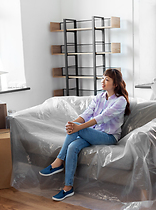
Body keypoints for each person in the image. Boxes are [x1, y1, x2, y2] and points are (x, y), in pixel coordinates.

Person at [39, 69, 131, 201]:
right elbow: (87, 113)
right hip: (93, 134)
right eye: (103, 78)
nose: (102, 81)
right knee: (72, 147)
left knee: (77, 130)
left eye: (107, 79)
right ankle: (67, 188)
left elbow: (101, 117)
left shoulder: (120, 101)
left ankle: (58, 162)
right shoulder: (99, 97)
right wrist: (72, 123)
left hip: (108, 137)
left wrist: (77, 128)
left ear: (115, 84)